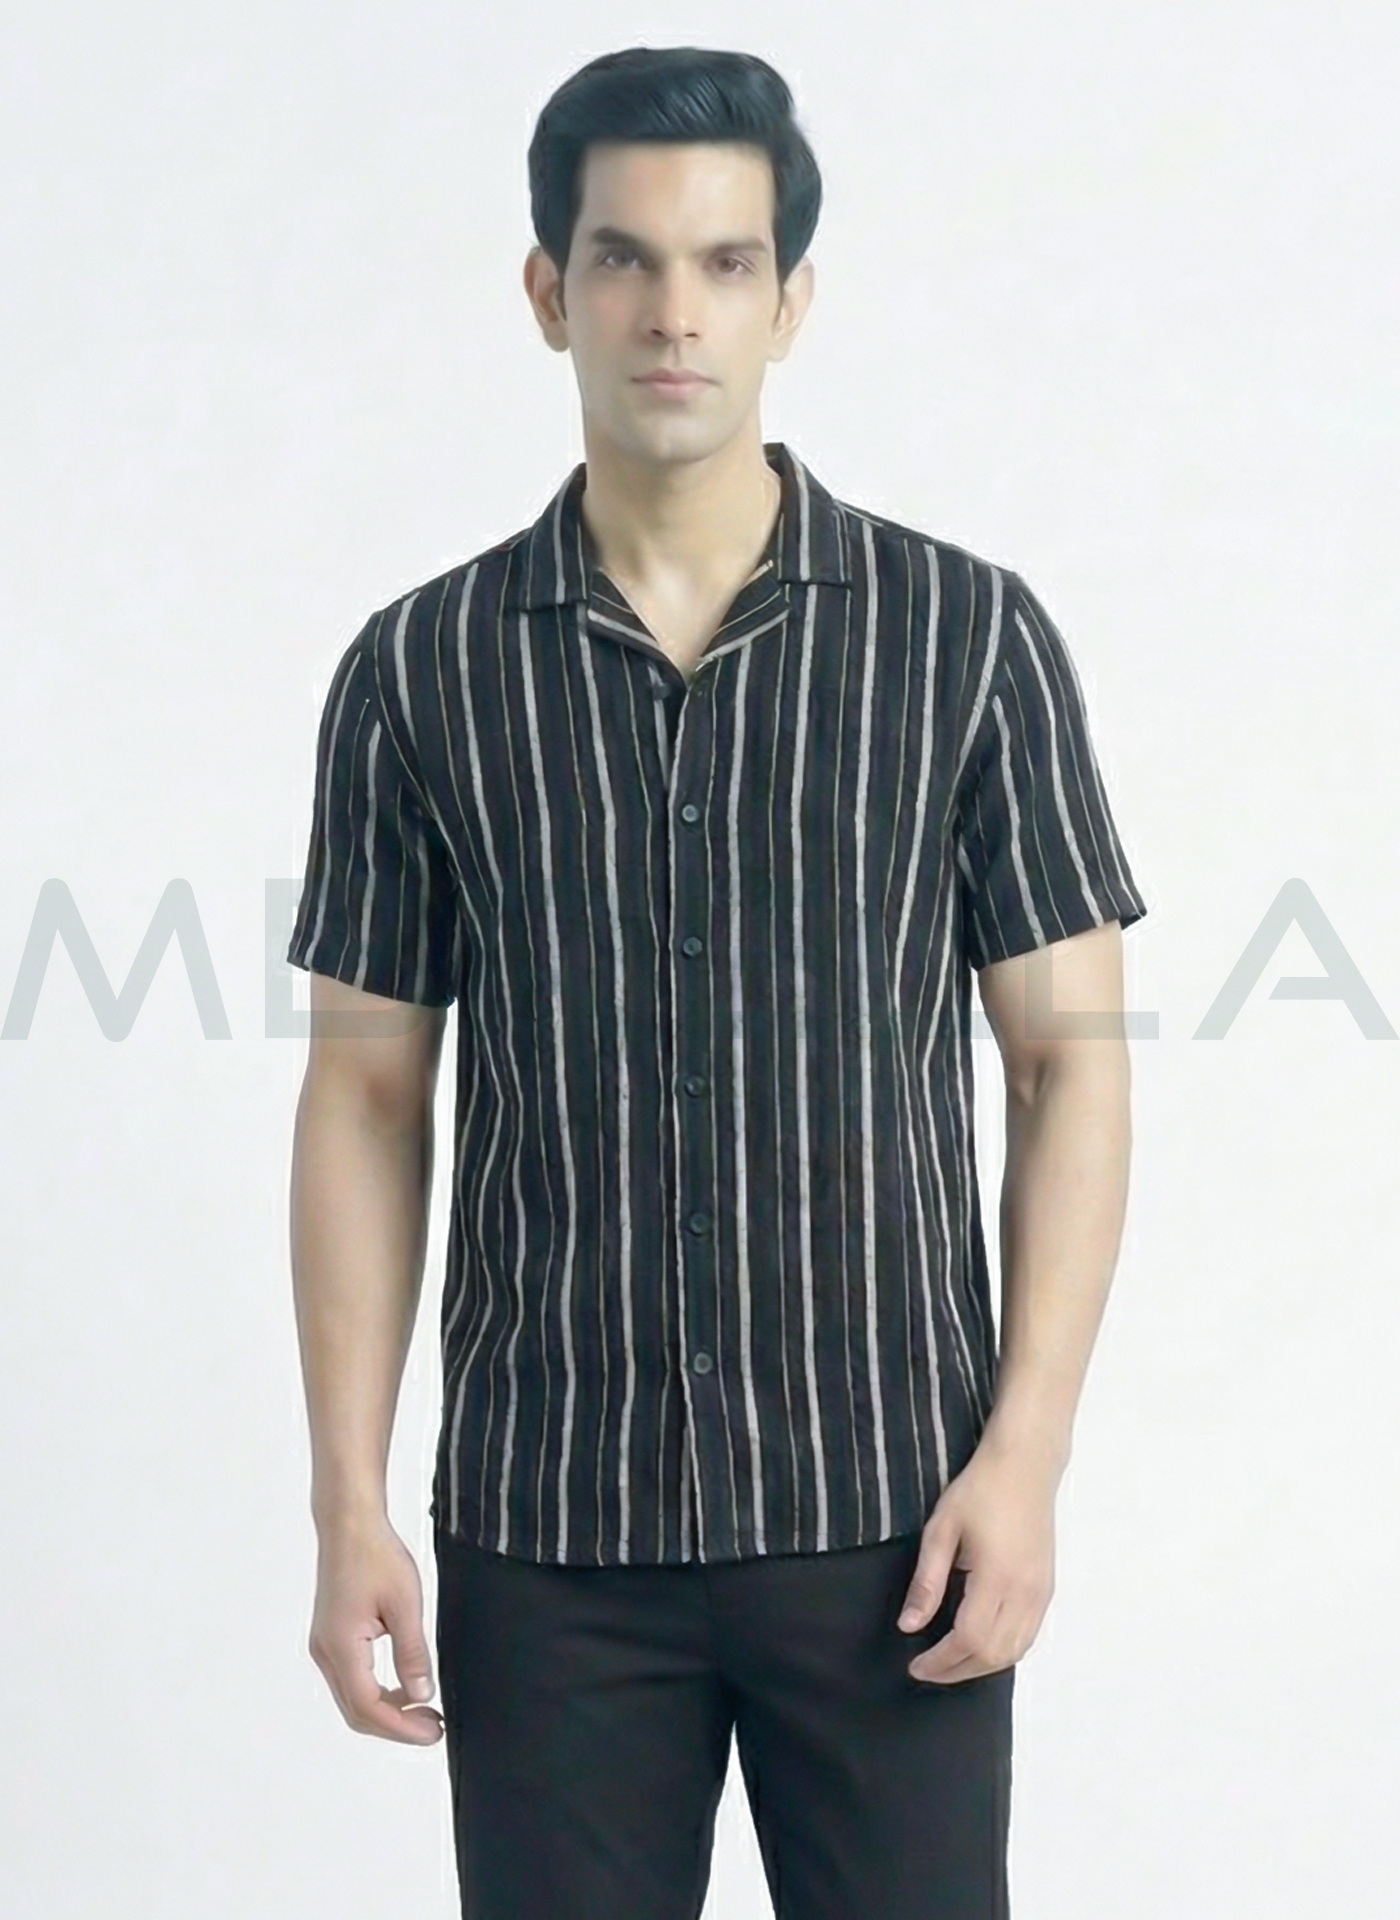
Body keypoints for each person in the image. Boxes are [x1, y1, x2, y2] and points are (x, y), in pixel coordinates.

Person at [286, 43, 1149, 1920]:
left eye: (725, 263)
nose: (674, 312)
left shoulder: (966, 642)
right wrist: (349, 1502)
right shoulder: (420, 672)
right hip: (550, 1541)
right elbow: (364, 1093)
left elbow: (1069, 1068)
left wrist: (1026, 1455)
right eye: (624, 259)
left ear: (791, 301)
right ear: (550, 293)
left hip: (894, 1525)